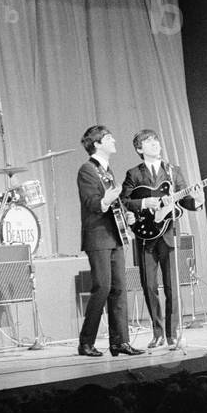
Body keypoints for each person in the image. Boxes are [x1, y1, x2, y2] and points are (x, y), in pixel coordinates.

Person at [120, 129, 203, 349]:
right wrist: (145, 203)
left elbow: (183, 199)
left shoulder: (173, 171)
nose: (155, 144)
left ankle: (172, 333)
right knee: (149, 286)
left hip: (168, 233)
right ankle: (157, 333)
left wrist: (197, 202)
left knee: (171, 286)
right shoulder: (134, 174)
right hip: (145, 235)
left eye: (156, 140)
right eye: (148, 142)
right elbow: (124, 200)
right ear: (140, 149)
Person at [76, 125, 142, 358]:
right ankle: (85, 342)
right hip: (97, 237)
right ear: (96, 144)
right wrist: (105, 199)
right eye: (108, 138)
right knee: (102, 287)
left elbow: (114, 205)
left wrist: (127, 214)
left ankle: (120, 342)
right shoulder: (87, 170)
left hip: (114, 235)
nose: (113, 140)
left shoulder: (107, 170)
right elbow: (92, 203)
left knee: (119, 289)